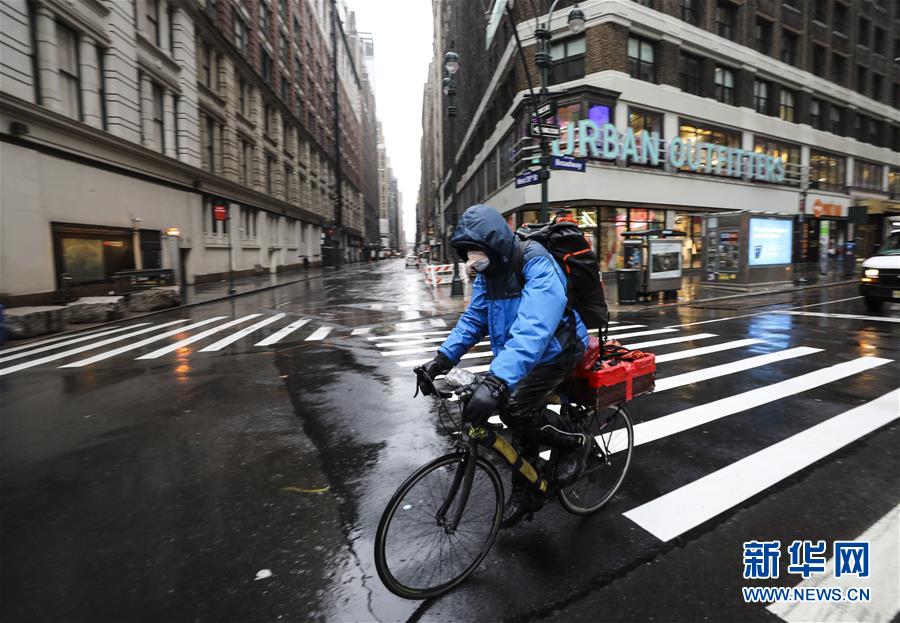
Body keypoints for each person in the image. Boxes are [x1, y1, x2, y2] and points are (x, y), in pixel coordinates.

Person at [416, 204, 591, 528]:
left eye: (476, 251)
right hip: (522, 354)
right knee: (518, 416)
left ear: (494, 244)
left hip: (558, 348)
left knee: (515, 408)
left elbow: (535, 327)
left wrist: (497, 381)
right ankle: (527, 490)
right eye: (467, 253)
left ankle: (574, 442)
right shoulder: (490, 274)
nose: (473, 260)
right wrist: (442, 359)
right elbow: (475, 318)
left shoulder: (534, 260)